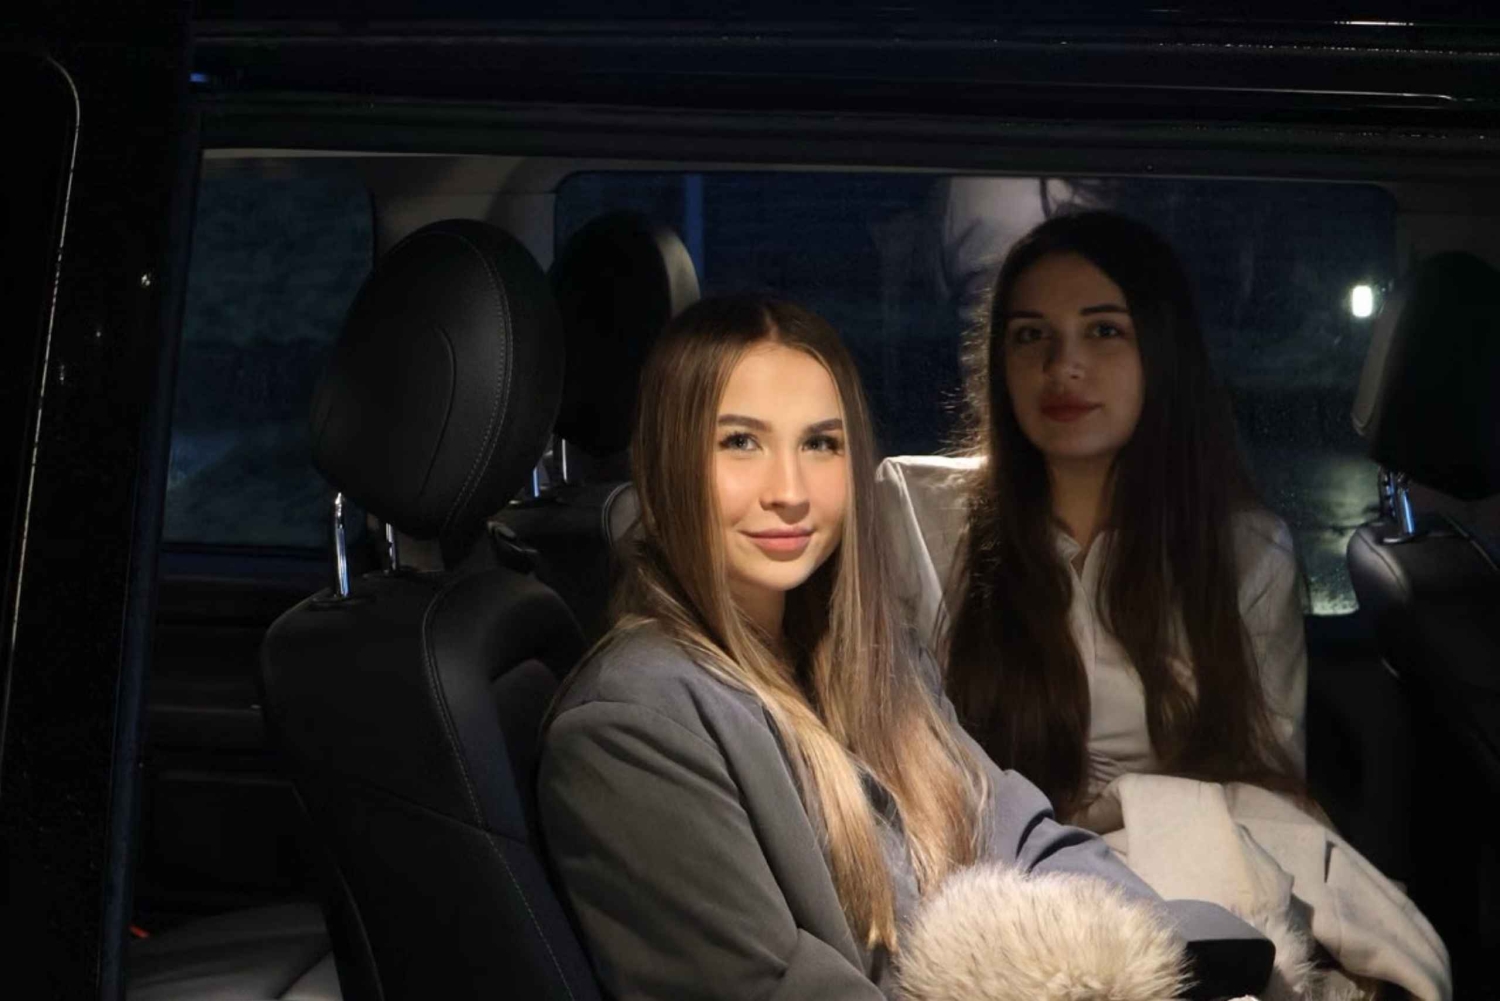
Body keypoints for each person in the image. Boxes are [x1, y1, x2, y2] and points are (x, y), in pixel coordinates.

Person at [538, 294, 1265, 1001]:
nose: (789, 490)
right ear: (669, 461)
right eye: (740, 442)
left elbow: (1019, 836)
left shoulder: (868, 659)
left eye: (820, 443)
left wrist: (1171, 962)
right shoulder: (633, 725)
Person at [877, 211, 1450, 998]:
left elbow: (1266, 788)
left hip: (1192, 882)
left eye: (1103, 331)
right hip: (994, 884)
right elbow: (890, 755)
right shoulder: (915, 511)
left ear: (1160, 351)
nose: (1063, 365)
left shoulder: (1244, 550)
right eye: (1031, 336)